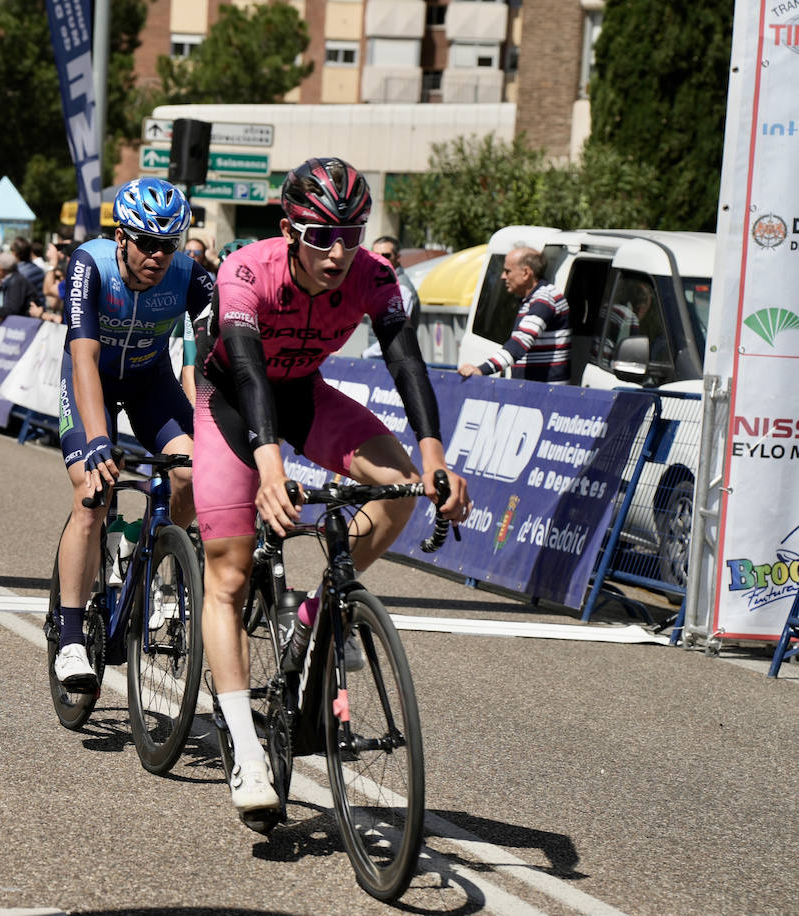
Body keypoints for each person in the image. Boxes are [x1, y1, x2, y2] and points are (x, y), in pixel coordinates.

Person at [192, 157, 470, 818]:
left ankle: (315, 618)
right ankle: (247, 752)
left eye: (351, 232)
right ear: (290, 229)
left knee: (401, 487)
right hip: (234, 404)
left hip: (308, 397)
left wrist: (434, 461)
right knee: (227, 577)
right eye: (320, 236)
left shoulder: (375, 276)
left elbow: (407, 363)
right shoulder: (246, 272)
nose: (338, 251)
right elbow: (251, 375)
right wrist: (270, 472)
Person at [51, 177, 214, 688]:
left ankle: (157, 552)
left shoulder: (189, 276)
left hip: (150, 386)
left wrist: (211, 423)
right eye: (147, 242)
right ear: (121, 236)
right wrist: (99, 439)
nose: (158, 256)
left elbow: (209, 360)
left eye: (168, 245)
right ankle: (72, 635)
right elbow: (84, 357)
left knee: (192, 472)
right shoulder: (90, 265)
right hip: (89, 382)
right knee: (93, 493)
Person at [458, 246, 570, 384]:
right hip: (535, 388)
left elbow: (520, 342)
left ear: (526, 273)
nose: (503, 276)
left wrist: (482, 369)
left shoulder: (544, 299)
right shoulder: (533, 299)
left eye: (507, 271)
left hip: (546, 392)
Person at [362, 236, 421, 359]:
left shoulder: (402, 288)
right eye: (375, 255)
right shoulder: (381, 283)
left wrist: (367, 355)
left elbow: (396, 335)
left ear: (397, 257)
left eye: (386, 255)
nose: (380, 259)